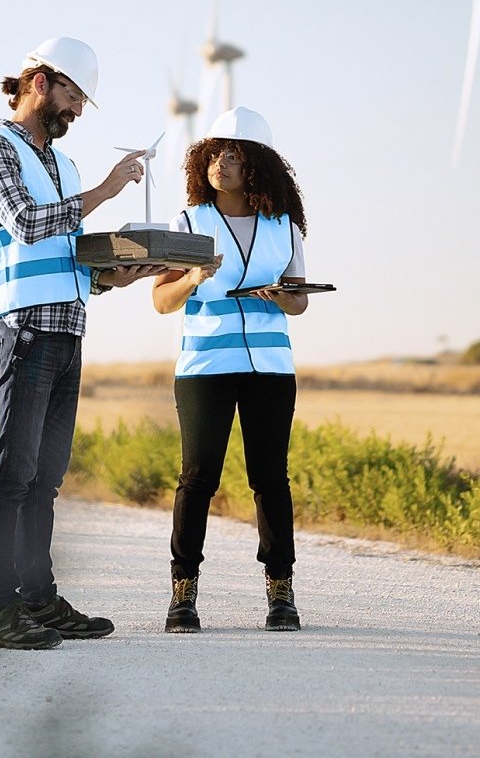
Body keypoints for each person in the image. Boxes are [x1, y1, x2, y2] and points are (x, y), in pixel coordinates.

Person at [0, 36, 166, 650]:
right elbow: (26, 224)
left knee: (45, 478)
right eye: (75, 95)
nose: (78, 110)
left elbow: (66, 258)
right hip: (21, 333)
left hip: (67, 333)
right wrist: (106, 192)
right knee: (11, 475)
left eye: (82, 100)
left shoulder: (65, 166)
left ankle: (39, 601)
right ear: (40, 82)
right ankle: (1, 615)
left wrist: (111, 277)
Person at [151, 107, 311, 633]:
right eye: (216, 152)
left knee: (270, 480)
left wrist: (283, 297)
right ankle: (183, 596)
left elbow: (299, 304)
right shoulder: (188, 223)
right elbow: (162, 301)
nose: (222, 161)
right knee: (197, 479)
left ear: (257, 165)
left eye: (235, 154)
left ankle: (281, 595)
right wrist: (194, 276)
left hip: (270, 367)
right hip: (204, 368)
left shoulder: (284, 226)